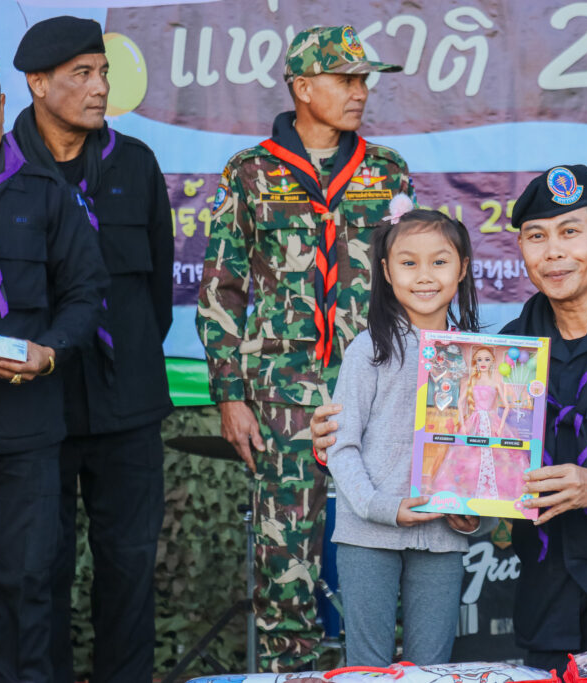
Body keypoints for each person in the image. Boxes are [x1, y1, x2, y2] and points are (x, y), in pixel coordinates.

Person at [314, 164, 587, 674]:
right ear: (521, 249)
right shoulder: (504, 352)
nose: (554, 251)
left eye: (570, 232)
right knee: (546, 671)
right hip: (555, 570)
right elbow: (467, 456)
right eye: (537, 236)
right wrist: (463, 504)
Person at [196, 25, 413, 671]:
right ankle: (292, 670)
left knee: (384, 528)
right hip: (281, 389)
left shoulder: (387, 171)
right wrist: (230, 395)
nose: (360, 91)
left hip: (375, 382)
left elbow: (415, 277)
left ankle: (381, 667)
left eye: (364, 79)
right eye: (345, 79)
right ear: (302, 87)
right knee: (284, 543)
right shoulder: (250, 171)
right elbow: (221, 287)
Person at [9, 16, 174, 681]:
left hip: (126, 403)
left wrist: (126, 362)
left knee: (129, 570)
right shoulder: (3, 169)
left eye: (102, 72)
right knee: (35, 573)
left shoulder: (135, 164)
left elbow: (157, 293)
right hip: (33, 410)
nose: (100, 86)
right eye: (81, 74)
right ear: (37, 82)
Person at [0, 46, 107, 683]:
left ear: (2, 106)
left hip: (25, 430)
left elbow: (87, 293)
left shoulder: (43, 190)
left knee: (25, 586)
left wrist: (50, 350)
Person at [328, 207, 484, 666]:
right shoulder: (367, 350)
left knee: (432, 666)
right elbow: (341, 444)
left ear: (462, 268)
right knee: (367, 667)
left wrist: (474, 519)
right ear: (386, 271)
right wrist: (382, 506)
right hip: (367, 533)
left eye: (440, 261)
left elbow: (485, 453)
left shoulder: (478, 356)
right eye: (409, 262)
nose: (425, 275)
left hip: (443, 538)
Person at [430, 345, 529, 500]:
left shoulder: (495, 383)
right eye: (480, 360)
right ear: (475, 362)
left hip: (492, 422)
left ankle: (495, 491)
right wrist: (463, 423)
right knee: (469, 455)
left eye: (487, 359)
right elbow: (460, 402)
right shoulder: (472, 381)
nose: (483, 363)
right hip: (474, 422)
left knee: (499, 456)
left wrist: (501, 426)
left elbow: (507, 406)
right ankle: (469, 491)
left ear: (492, 362)